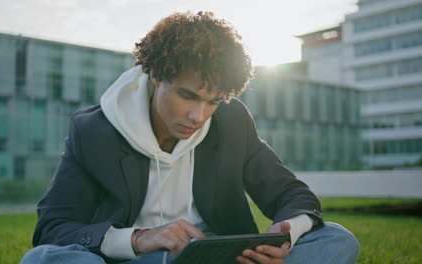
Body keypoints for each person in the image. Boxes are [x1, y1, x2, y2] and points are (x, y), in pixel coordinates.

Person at [21, 11, 359, 264]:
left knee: (336, 239)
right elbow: (52, 229)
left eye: (213, 101)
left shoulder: (231, 121)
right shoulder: (95, 131)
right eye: (187, 95)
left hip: (223, 259)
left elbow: (290, 193)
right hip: (140, 260)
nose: (198, 116)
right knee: (43, 259)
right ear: (155, 75)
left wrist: (284, 233)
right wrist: (139, 239)